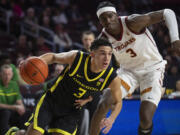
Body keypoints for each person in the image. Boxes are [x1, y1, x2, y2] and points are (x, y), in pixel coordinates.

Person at [89, 1, 180, 135]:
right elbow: (92, 63)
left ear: (116, 15)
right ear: (100, 22)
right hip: (127, 72)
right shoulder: (103, 39)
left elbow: (168, 12)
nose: (108, 21)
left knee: (145, 117)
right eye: (103, 19)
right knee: (104, 102)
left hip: (152, 69)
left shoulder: (132, 22)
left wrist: (175, 39)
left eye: (110, 16)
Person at [6, 38, 122, 135]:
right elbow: (53, 57)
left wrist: (111, 118)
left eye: (109, 54)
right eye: (102, 53)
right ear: (92, 54)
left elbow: (118, 101)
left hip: (71, 110)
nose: (107, 58)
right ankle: (15, 133)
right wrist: (34, 62)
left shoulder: (111, 77)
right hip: (52, 100)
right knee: (35, 132)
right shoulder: (77, 58)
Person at [0, 64, 25, 135]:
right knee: (6, 112)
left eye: (9, 74)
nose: (7, 76)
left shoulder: (14, 84)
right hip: (2, 111)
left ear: (12, 74)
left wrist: (21, 107)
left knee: (26, 112)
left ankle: (24, 132)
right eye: (5, 74)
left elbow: (19, 101)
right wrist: (15, 107)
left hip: (11, 111)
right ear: (0, 74)